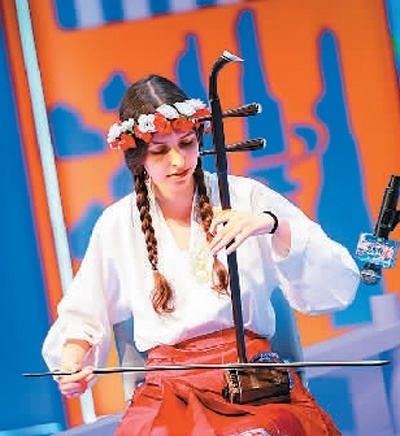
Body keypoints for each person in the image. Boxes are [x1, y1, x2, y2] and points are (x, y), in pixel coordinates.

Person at [42, 74, 360, 436]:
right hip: (169, 391)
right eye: (160, 150)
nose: (178, 160)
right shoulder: (116, 223)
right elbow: (84, 310)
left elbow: (334, 283)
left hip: (250, 379)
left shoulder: (245, 197)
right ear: (138, 157)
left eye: (187, 143)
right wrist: (72, 362)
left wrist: (272, 225)